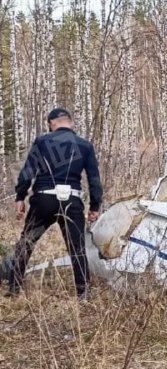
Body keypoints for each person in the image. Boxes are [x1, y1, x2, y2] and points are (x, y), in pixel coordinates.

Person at [7, 108, 103, 299]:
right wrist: (94, 207)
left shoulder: (42, 142)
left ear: (51, 123)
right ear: (71, 123)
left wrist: (20, 197)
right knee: (77, 247)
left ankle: (13, 288)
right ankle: (82, 293)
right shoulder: (85, 146)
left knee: (27, 241)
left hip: (44, 199)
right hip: (72, 201)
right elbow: (94, 179)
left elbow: (27, 172)